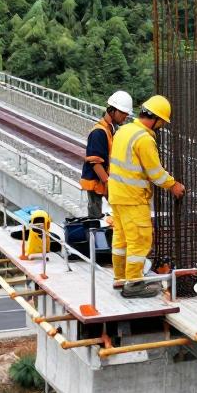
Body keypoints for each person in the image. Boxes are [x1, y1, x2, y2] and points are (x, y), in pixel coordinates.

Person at [107, 95, 186, 298]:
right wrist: (173, 185)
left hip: (116, 195)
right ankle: (133, 283)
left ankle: (120, 278)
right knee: (140, 239)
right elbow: (155, 173)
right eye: (162, 122)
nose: (162, 126)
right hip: (133, 198)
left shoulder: (123, 130)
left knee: (121, 239)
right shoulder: (144, 139)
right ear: (156, 119)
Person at [80, 90, 133, 219]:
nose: (125, 117)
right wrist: (108, 182)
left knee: (110, 214)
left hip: (103, 180)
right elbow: (95, 163)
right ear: (112, 111)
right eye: (123, 113)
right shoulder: (99, 132)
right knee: (95, 218)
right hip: (96, 182)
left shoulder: (110, 130)